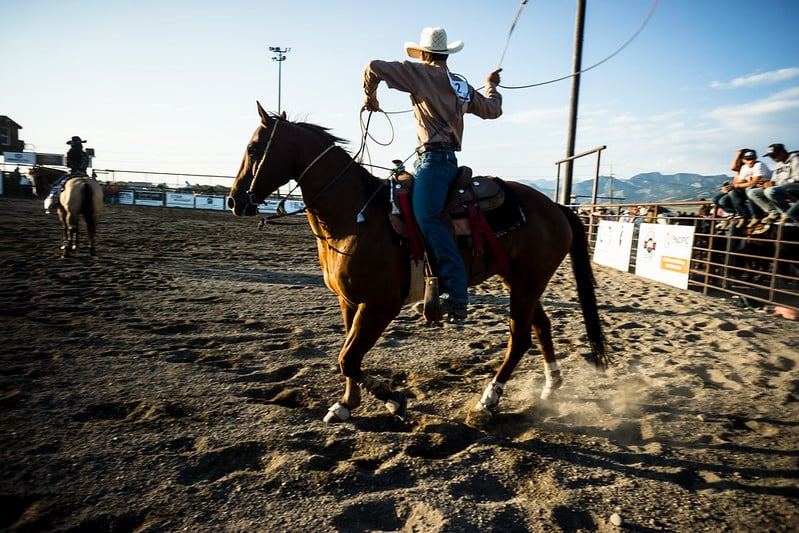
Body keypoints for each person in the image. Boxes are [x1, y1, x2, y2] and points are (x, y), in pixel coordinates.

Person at [363, 27, 503, 319]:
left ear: (424, 54)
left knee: (427, 216)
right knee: (423, 214)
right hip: (446, 160)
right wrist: (491, 85)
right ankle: (425, 284)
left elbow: (372, 67)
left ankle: (455, 291)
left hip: (433, 161)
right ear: (446, 53)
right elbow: (492, 110)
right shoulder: (460, 85)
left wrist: (371, 97)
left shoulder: (420, 73)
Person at [760, 143, 799, 225]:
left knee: (775, 190)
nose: (773, 158)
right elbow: (774, 179)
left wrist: (778, 184)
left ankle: (789, 214)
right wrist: (768, 183)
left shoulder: (796, 159)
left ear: (782, 152)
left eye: (775, 155)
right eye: (771, 156)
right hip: (783, 188)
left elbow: (797, 178)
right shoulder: (778, 164)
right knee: (754, 192)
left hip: (794, 187)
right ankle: (778, 213)